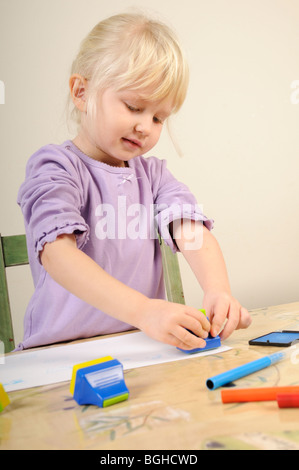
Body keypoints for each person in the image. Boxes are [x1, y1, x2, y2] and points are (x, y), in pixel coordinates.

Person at [17, 12, 251, 351]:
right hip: (59, 355)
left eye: (158, 117)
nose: (145, 126)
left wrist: (218, 290)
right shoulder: (55, 167)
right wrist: (144, 311)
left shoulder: (153, 175)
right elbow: (56, 254)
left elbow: (192, 231)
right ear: (81, 92)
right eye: (133, 106)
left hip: (142, 347)